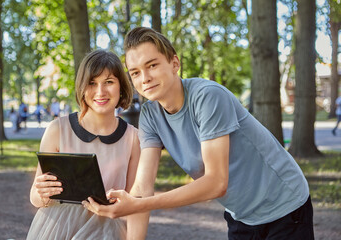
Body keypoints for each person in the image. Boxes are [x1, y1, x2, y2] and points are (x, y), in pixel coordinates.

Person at [82, 27, 315, 240]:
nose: (145, 78)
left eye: (152, 65)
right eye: (135, 72)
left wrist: (139, 205)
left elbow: (216, 183)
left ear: (174, 63)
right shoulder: (151, 115)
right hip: (242, 215)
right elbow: (142, 188)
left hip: (286, 207)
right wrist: (126, 203)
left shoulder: (207, 97)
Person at [26, 50, 140, 240]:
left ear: (121, 86)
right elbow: (36, 199)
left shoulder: (133, 138)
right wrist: (41, 192)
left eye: (109, 82)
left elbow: (134, 203)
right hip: (56, 230)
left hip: (107, 232)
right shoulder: (57, 129)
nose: (100, 91)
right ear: (82, 87)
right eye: (92, 83)